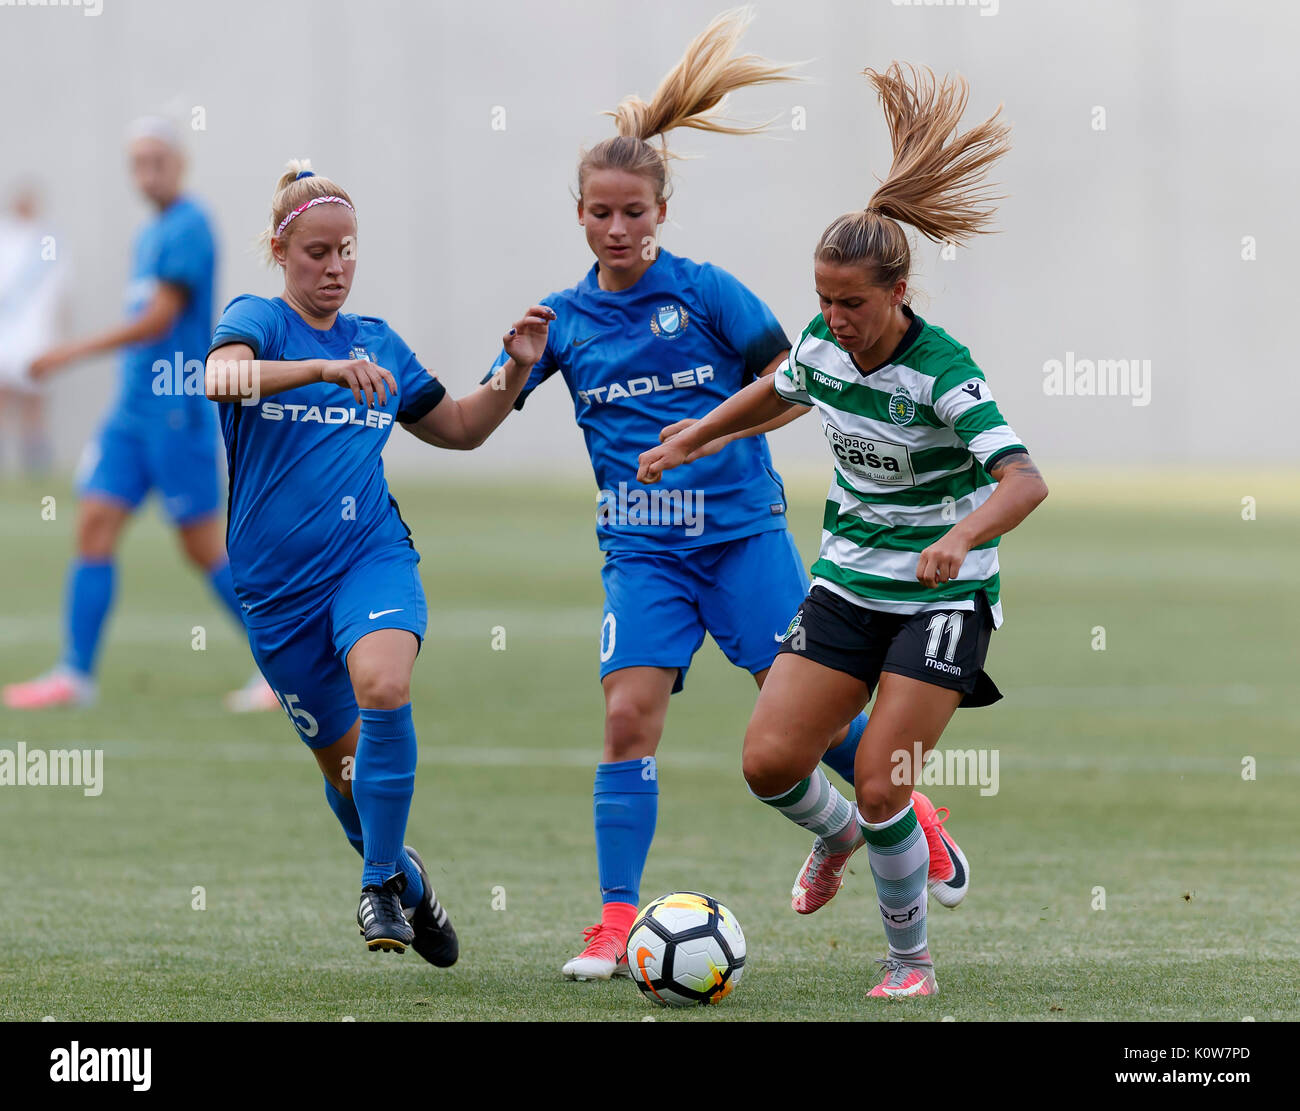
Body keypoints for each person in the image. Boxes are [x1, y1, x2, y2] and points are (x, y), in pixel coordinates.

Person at [483, 11, 967, 982]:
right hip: (641, 551)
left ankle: (912, 814)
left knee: (812, 729)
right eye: (598, 212)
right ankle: (617, 921)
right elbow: (461, 423)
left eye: (633, 212)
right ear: (577, 212)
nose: (616, 228)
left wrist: (708, 438)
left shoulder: (707, 294)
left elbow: (797, 386)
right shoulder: (562, 319)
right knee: (627, 718)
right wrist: (505, 375)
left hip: (742, 536)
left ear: (660, 210)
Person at [638, 62, 1046, 999]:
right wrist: (694, 437)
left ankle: (910, 963)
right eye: (823, 299)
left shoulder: (945, 372)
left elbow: (1025, 481)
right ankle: (837, 837)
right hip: (848, 588)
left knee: (881, 779)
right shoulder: (826, 346)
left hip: (942, 603)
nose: (833, 319)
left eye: (852, 303)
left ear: (897, 291)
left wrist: (961, 537)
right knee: (769, 761)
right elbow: (777, 387)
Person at [205, 160, 554, 958]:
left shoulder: (379, 343)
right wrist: (322, 368)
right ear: (280, 250)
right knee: (347, 776)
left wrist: (517, 370)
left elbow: (460, 427)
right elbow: (219, 378)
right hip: (275, 593)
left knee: (385, 684)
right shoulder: (256, 316)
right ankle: (407, 880)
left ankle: (375, 887)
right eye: (316, 253)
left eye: (346, 252)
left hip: (371, 555)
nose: (334, 269)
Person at [2, 118, 276, 713]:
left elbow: (158, 321)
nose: (147, 172)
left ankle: (286, 669)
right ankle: (76, 674)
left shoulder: (190, 226)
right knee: (93, 524)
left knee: (203, 547)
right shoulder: (151, 233)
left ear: (181, 163)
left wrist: (68, 352)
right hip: (129, 414)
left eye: (158, 159)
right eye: (138, 161)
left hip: (175, 414)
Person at [0, 182, 60, 476]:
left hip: (36, 334)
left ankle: (35, 468)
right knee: (3, 393)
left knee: (34, 398)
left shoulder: (47, 240)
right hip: (5, 333)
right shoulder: (4, 236)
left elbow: (60, 291)